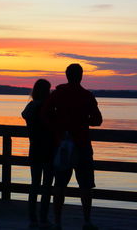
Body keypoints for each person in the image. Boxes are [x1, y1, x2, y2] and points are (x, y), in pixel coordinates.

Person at [43, 64, 102, 230]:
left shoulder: (58, 94)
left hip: (62, 145)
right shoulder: (87, 96)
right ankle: (87, 221)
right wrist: (83, 120)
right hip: (82, 145)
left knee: (60, 185)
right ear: (81, 76)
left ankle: (57, 222)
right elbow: (97, 120)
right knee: (85, 185)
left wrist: (58, 124)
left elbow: (45, 114)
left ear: (67, 75)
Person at [22, 79, 54, 229]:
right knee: (47, 186)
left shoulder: (30, 107)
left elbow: (25, 116)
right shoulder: (48, 109)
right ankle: (43, 218)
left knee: (34, 184)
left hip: (34, 149)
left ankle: (32, 218)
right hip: (48, 150)